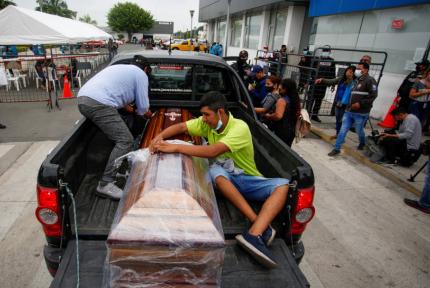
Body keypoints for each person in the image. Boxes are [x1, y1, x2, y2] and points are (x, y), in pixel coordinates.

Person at [149, 91, 289, 268]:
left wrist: (175, 147)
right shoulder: (207, 124)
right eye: (203, 115)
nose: (204, 119)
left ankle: (253, 235)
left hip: (247, 179)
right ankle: (258, 225)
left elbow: (213, 151)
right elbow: (182, 127)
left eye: (207, 114)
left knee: (283, 186)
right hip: (226, 180)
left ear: (221, 112)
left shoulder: (239, 127)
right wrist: (158, 137)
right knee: (215, 171)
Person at [77, 55, 153, 200]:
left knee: (120, 135)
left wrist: (133, 110)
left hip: (83, 99)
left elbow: (120, 97)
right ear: (145, 69)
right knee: (125, 140)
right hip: (99, 103)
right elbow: (143, 107)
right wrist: (150, 114)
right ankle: (105, 183)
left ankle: (115, 168)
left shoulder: (119, 69)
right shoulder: (141, 75)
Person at [329, 62, 378, 156]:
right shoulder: (356, 81)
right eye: (357, 69)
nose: (358, 71)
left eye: (360, 69)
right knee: (343, 130)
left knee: (359, 130)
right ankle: (337, 148)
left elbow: (373, 95)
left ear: (366, 70)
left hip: (360, 113)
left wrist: (360, 103)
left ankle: (362, 142)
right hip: (349, 111)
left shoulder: (370, 80)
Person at [315, 65, 356, 138]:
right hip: (338, 102)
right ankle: (338, 133)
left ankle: (341, 136)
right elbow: (331, 81)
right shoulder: (341, 79)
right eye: (348, 71)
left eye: (351, 72)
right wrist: (322, 80)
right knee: (338, 119)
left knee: (343, 121)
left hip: (347, 105)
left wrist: (350, 79)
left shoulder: (354, 82)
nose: (349, 73)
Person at [263, 78, 301, 147]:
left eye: (281, 85)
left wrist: (269, 116)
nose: (279, 87)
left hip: (280, 130)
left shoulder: (282, 100)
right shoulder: (296, 99)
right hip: (291, 130)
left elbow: (278, 116)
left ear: (286, 88)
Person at [308, 46, 336, 122]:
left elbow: (332, 72)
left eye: (327, 51)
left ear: (329, 52)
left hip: (323, 83)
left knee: (319, 100)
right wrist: (308, 82)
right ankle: (307, 113)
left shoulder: (331, 61)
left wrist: (333, 84)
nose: (325, 52)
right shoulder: (317, 59)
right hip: (314, 83)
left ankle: (314, 115)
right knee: (310, 99)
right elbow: (311, 71)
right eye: (324, 50)